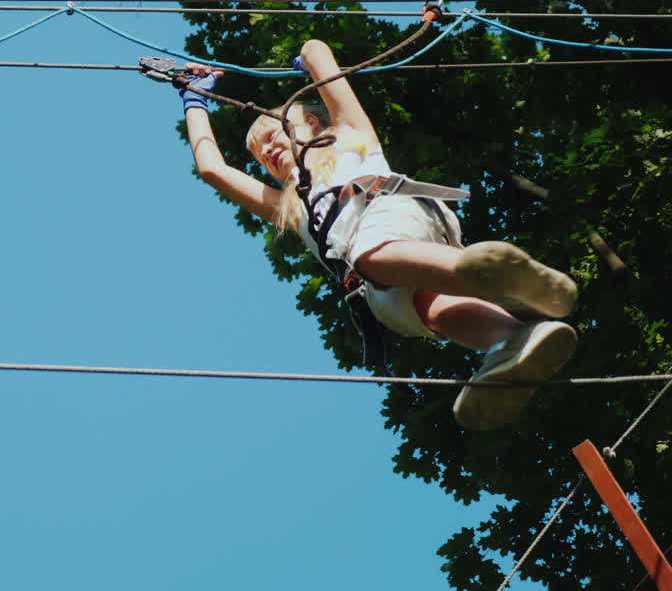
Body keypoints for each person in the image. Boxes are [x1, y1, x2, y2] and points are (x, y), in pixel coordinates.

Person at [176, 39, 578, 430]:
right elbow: (212, 169)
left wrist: (308, 62)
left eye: (272, 136)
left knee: (371, 256)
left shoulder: (351, 137)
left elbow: (317, 50)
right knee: (427, 310)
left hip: (391, 214)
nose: (266, 151)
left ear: (311, 123)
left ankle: (493, 277)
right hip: (377, 275)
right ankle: (513, 341)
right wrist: (195, 100)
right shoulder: (288, 205)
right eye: (259, 154)